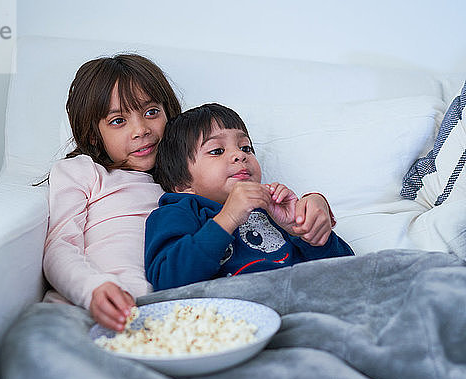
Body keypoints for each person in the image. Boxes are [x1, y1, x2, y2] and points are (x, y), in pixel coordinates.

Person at [43, 55, 339, 332]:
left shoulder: (200, 179)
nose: (141, 129)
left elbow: (269, 214)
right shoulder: (85, 172)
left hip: (174, 314)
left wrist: (313, 209)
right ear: (94, 134)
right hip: (92, 302)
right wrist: (91, 288)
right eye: (118, 120)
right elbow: (60, 246)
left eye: (151, 112)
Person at [145, 103, 354, 291]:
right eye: (217, 150)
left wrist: (303, 233)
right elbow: (167, 280)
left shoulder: (272, 207)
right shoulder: (177, 212)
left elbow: (349, 273)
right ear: (182, 184)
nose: (240, 155)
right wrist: (228, 218)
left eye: (245, 147)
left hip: (305, 301)